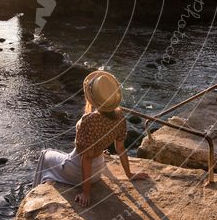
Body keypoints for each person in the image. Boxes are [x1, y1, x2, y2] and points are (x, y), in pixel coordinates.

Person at [33, 70, 149, 207]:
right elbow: (120, 148)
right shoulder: (120, 116)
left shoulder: (88, 120)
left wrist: (86, 192)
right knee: (62, 155)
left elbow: (86, 157)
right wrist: (130, 174)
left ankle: (35, 192)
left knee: (45, 154)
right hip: (97, 171)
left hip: (77, 172)